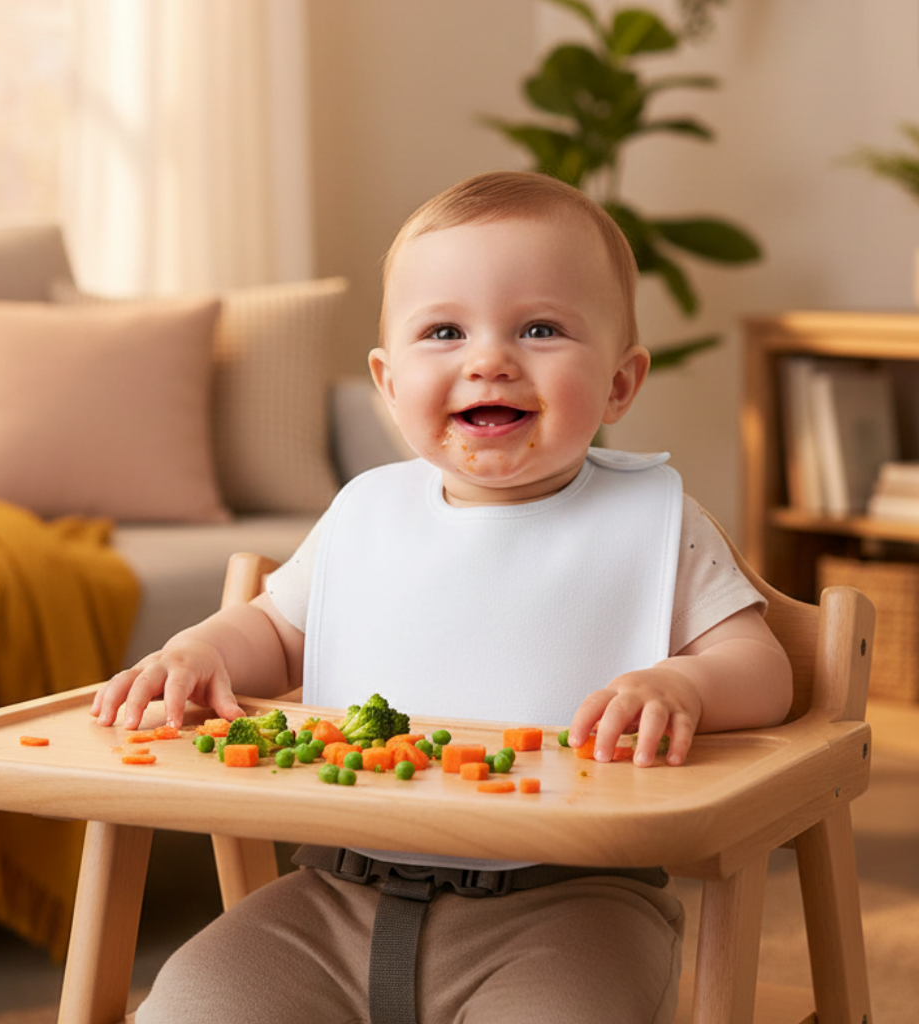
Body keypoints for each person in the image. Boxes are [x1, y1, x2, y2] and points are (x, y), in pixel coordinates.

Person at [92, 170, 793, 1024]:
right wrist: (198, 651)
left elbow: (762, 669)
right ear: (388, 383)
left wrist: (683, 684)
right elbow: (275, 632)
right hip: (333, 896)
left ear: (620, 381)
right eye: (444, 331)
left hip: (570, 905)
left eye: (540, 329)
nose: (488, 359)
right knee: (191, 1006)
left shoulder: (658, 523)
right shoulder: (365, 513)